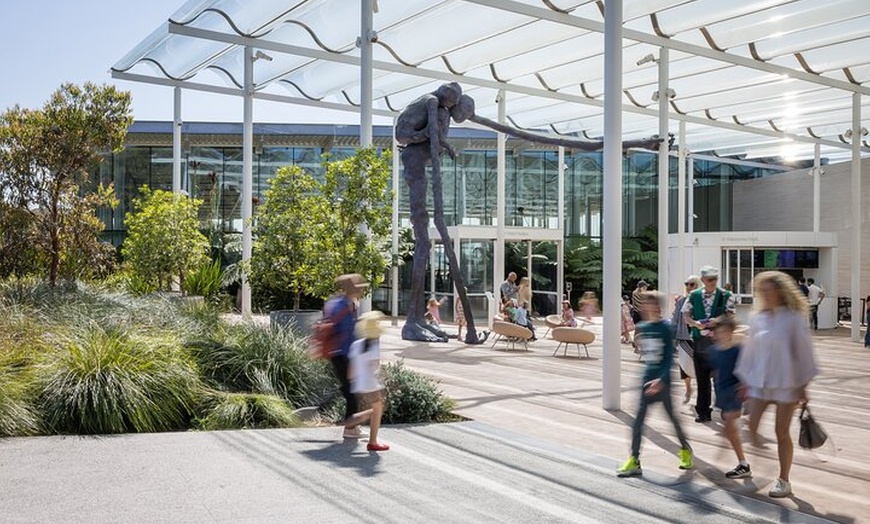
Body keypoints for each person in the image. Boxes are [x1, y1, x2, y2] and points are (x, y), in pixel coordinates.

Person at [735, 271, 818, 498]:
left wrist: (803, 384)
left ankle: (784, 479)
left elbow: (803, 352)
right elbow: (749, 351)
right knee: (750, 427)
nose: (764, 294)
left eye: (768, 290)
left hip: (786, 383)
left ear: (780, 292)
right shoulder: (758, 317)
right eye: (761, 290)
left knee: (781, 432)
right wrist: (744, 380)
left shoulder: (792, 318)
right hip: (759, 383)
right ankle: (761, 468)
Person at [617, 291, 693, 477]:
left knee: (672, 419)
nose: (645, 307)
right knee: (638, 422)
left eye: (649, 304)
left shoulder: (665, 328)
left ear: (657, 307)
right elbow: (647, 356)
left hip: (663, 382)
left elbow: (668, 357)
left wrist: (661, 379)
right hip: (646, 381)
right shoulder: (643, 327)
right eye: (644, 304)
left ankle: (685, 451)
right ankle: (634, 460)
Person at [682, 265, 735, 423]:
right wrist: (695, 323)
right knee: (702, 378)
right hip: (700, 341)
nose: (713, 282)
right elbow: (685, 314)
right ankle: (703, 411)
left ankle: (726, 408)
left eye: (715, 279)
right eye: (710, 279)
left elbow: (731, 315)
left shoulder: (726, 295)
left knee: (721, 378)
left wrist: (716, 321)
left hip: (720, 343)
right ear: (703, 280)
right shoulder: (694, 295)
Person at [324, 273, 368, 439]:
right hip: (343, 354)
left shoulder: (338, 302)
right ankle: (350, 428)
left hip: (342, 353)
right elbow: (347, 333)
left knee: (350, 389)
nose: (362, 291)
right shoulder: (343, 305)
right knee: (352, 391)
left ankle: (351, 426)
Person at [709, 316, 751, 480]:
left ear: (731, 333)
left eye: (725, 332)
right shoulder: (714, 350)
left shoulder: (738, 349)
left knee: (730, 428)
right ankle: (742, 463)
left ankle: (742, 463)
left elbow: (747, 367)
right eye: (718, 332)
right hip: (722, 393)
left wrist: (743, 384)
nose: (721, 335)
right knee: (730, 429)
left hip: (735, 393)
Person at [348, 311, 390, 452]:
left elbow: (351, 370)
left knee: (375, 409)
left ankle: (351, 422)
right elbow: (375, 366)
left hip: (358, 382)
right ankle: (372, 441)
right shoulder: (373, 346)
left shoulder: (356, 344)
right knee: (377, 410)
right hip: (370, 382)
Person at [671, 276, 701, 404]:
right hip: (683, 337)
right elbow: (675, 319)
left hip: (699, 338)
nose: (689, 287)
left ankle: (702, 394)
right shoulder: (681, 301)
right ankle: (688, 389)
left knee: (700, 367)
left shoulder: (702, 302)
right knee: (684, 366)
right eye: (687, 284)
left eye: (692, 284)